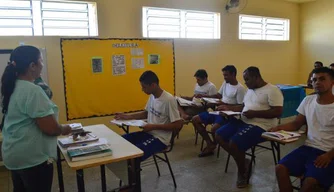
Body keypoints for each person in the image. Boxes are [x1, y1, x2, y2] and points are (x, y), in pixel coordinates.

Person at [1, 45, 71, 192]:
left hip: (13, 154)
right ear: (32, 66)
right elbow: (51, 128)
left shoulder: (11, 86)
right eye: (41, 60)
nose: (42, 64)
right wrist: (65, 129)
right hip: (31, 159)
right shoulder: (33, 90)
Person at [215, 66, 283, 188]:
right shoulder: (250, 90)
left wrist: (254, 113)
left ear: (256, 77)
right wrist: (228, 108)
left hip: (262, 125)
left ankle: (242, 172)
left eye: (247, 79)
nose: (245, 83)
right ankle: (244, 162)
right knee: (218, 135)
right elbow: (243, 107)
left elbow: (278, 112)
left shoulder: (273, 90)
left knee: (235, 142)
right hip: (244, 120)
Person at [271, 67, 334, 192]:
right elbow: (296, 124)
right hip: (309, 147)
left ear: (332, 82)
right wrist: (278, 128)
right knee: (280, 168)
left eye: (322, 79)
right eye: (314, 80)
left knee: (310, 182)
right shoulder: (308, 100)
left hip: (329, 152)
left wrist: (329, 155)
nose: (317, 82)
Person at [115, 70, 183, 161]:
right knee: (120, 141)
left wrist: (153, 126)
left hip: (160, 139)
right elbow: (146, 113)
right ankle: (128, 171)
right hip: (148, 133)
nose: (142, 90)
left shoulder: (169, 100)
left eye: (144, 87)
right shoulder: (152, 96)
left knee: (135, 155)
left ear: (153, 85)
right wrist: (127, 116)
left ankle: (134, 173)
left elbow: (177, 124)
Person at [192, 65, 246, 157]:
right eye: (224, 75)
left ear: (233, 74)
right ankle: (210, 143)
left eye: (226, 75)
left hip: (228, 115)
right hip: (218, 111)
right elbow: (218, 95)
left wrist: (226, 106)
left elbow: (241, 106)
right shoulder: (225, 83)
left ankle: (214, 144)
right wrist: (205, 97)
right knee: (195, 119)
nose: (224, 77)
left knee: (214, 129)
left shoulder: (240, 88)